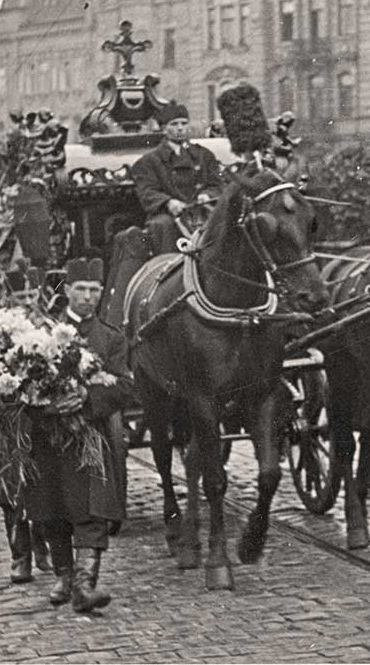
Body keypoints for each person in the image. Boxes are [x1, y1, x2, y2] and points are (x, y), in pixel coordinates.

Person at [32, 256, 133, 612]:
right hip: (50, 436)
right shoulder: (42, 334)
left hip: (91, 437)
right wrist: (45, 404)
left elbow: (124, 386)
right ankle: (64, 577)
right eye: (81, 290)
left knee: (91, 509)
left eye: (94, 290)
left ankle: (85, 585)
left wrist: (87, 397)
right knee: (52, 507)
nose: (88, 297)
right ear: (68, 291)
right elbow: (22, 384)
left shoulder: (111, 338)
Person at [130, 101, 222, 255]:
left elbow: (217, 184)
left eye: (184, 123)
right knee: (162, 225)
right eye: (174, 124)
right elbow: (147, 191)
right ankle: (168, 269)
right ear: (163, 128)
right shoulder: (150, 161)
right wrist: (168, 202)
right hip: (169, 215)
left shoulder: (204, 155)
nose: (180, 128)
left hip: (200, 212)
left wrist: (207, 195)